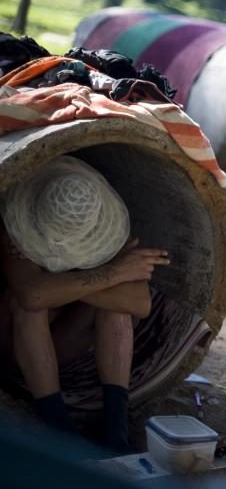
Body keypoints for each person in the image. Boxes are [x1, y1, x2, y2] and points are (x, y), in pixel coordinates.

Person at [0, 155, 170, 452]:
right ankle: (56, 424)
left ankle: (115, 424)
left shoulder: (107, 233)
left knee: (116, 308)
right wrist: (112, 273)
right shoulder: (14, 231)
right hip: (15, 351)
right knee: (26, 306)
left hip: (67, 346)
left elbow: (139, 304)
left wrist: (60, 281)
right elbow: (30, 296)